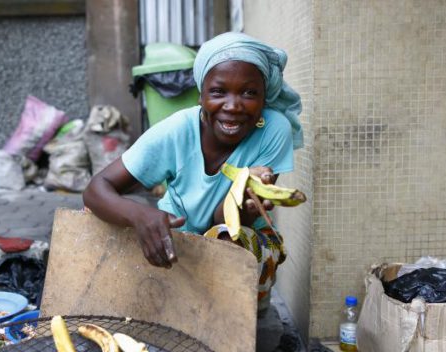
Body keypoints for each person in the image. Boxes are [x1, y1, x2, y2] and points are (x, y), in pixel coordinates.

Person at [83, 32, 303, 312]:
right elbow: (95, 189)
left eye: (249, 93)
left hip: (243, 240)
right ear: (200, 95)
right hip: (176, 237)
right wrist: (141, 215)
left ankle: (242, 311)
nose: (233, 106)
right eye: (218, 92)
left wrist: (245, 202)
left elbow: (223, 220)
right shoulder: (176, 130)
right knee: (103, 216)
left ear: (264, 98)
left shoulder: (273, 129)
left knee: (229, 239)